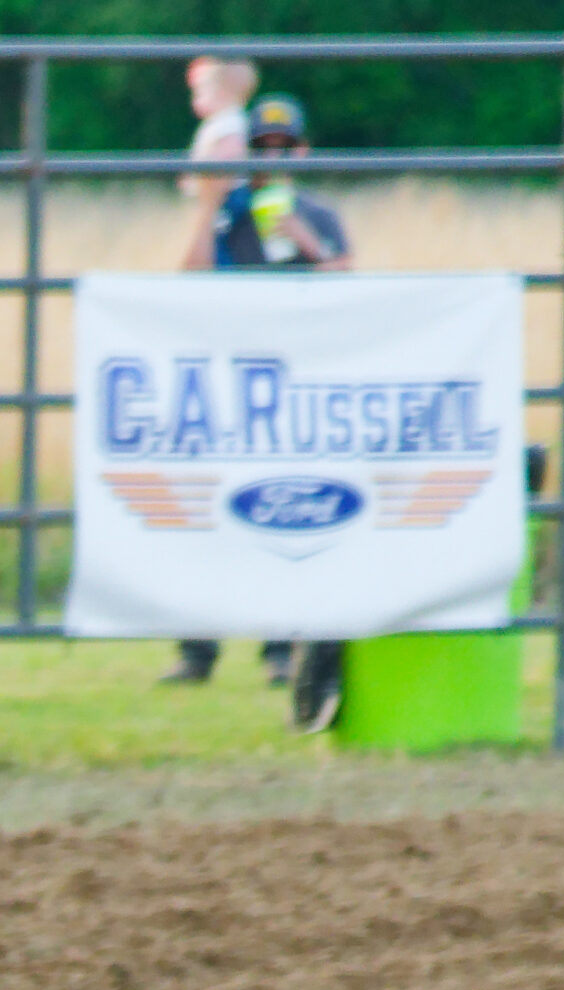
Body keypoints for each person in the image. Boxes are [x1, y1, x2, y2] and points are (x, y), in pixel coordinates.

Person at [166, 94, 353, 709]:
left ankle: (280, 648)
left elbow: (353, 287)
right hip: (231, 382)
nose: (272, 158)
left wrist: (302, 238)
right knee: (206, 511)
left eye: (283, 147)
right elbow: (186, 279)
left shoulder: (320, 215)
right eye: (261, 148)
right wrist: (211, 207)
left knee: (285, 510)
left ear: (301, 153)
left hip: (297, 387)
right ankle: (197, 650)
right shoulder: (227, 215)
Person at [178, 57, 257, 210]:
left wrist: (200, 176)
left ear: (221, 92)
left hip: (227, 194)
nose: (195, 100)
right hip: (218, 193)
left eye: (200, 92)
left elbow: (230, 153)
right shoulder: (222, 120)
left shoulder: (229, 121)